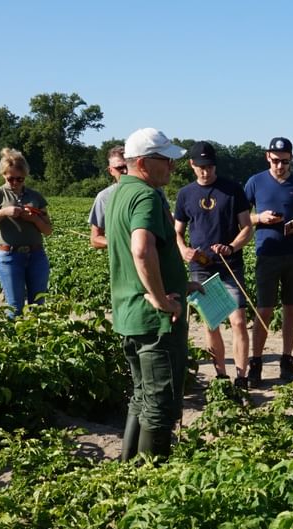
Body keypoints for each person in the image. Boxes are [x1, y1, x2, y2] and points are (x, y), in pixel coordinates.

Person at [106, 128, 194, 462]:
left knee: (142, 397)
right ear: (142, 162)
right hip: (154, 321)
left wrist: (177, 282)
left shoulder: (119, 193)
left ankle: (127, 470)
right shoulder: (145, 195)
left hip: (130, 314)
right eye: (166, 160)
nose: (173, 167)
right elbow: (141, 250)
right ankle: (150, 483)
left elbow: (142, 255)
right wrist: (159, 297)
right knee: (160, 406)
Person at [174, 141, 254, 386]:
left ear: (215, 165)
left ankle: (242, 377)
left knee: (238, 321)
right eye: (200, 167)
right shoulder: (185, 194)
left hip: (230, 264)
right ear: (191, 165)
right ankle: (221, 376)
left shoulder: (232, 190)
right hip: (200, 267)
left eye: (209, 166)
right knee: (212, 323)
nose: (205, 171)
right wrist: (184, 250)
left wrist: (231, 246)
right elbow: (177, 231)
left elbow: (247, 228)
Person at [243, 137, 293, 387]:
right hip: (267, 254)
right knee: (264, 309)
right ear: (268, 157)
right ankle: (256, 363)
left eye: (285, 161)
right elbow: (240, 218)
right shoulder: (255, 182)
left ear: (291, 159)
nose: (280, 166)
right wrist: (259, 218)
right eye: (276, 161)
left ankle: (287, 361)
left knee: (291, 308)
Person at [0, 148, 53, 316]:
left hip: (36, 255)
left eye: (20, 179)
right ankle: (15, 339)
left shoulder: (35, 196)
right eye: (11, 178)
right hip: (9, 256)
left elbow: (48, 230)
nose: (16, 183)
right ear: (3, 174)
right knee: (15, 307)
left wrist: (34, 219)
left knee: (38, 306)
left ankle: (36, 339)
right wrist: (3, 212)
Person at [88, 145, 128, 249]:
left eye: (127, 166)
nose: (125, 171)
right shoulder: (104, 197)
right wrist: (122, 243)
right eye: (120, 168)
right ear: (111, 171)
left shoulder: (152, 191)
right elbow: (95, 238)